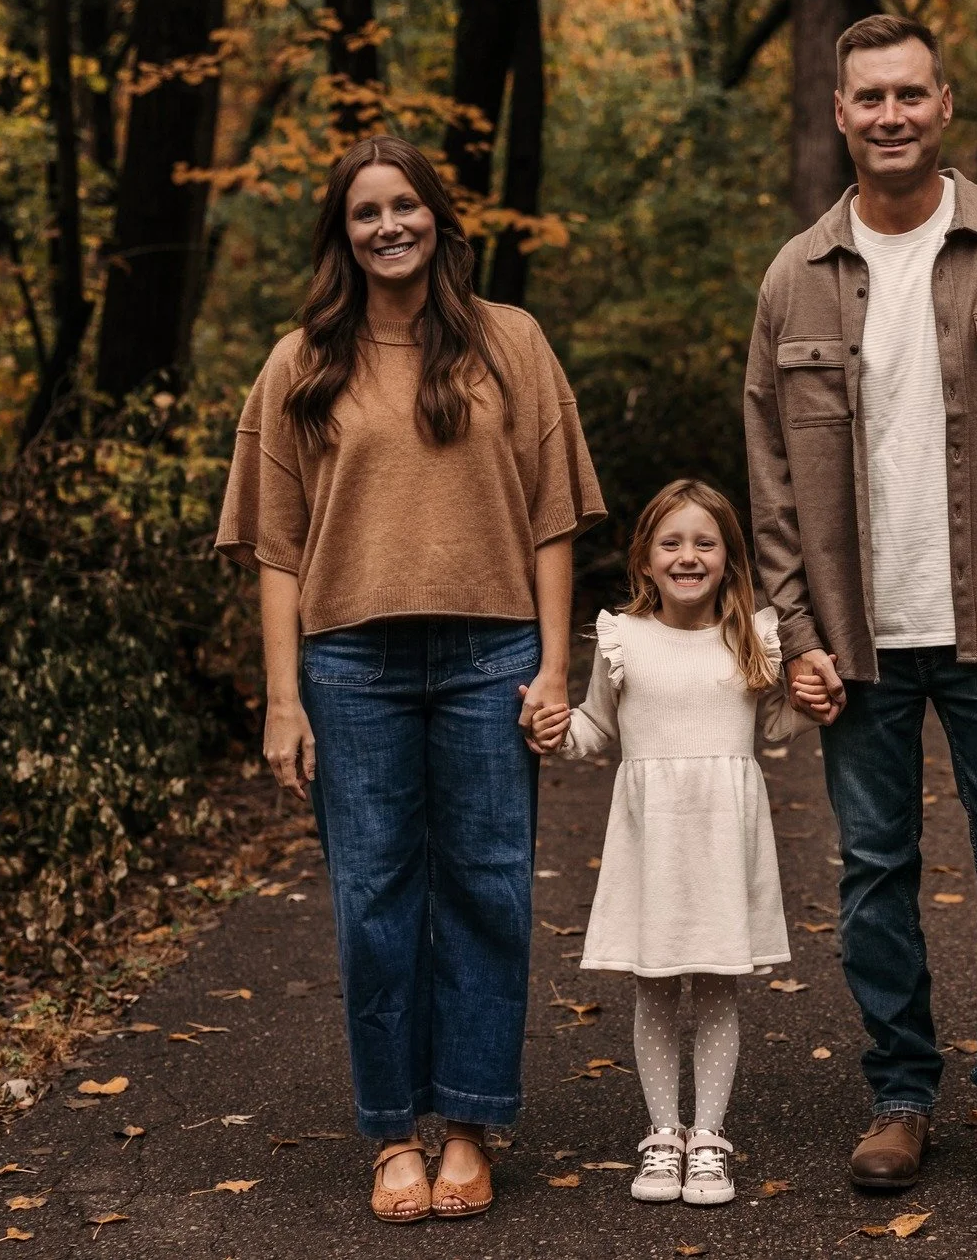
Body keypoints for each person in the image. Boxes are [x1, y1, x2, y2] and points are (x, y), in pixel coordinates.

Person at [742, 13, 977, 1221]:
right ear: (840, 114)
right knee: (873, 876)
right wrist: (794, 634)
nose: (889, 115)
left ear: (943, 106)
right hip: (858, 643)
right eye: (868, 98)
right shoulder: (795, 275)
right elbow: (770, 485)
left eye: (910, 94)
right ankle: (898, 1097)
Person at [214, 135, 605, 1223]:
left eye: (406, 206)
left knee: (488, 888)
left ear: (439, 216)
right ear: (342, 233)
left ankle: (471, 1123)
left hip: (489, 655)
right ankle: (392, 1133)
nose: (389, 226)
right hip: (351, 666)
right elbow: (277, 548)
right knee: (373, 903)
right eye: (365, 212)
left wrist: (550, 664)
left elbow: (553, 518)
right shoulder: (301, 363)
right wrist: (283, 699)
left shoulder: (509, 343)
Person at [530, 480, 802, 1208]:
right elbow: (594, 728)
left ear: (729, 556)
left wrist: (812, 710)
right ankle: (662, 1132)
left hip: (722, 840)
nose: (689, 555)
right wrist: (552, 729)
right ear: (645, 560)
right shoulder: (623, 637)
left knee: (715, 985)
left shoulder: (758, 634)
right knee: (653, 987)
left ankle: (708, 1138)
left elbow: (774, 728)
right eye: (671, 543)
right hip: (652, 840)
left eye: (704, 542)